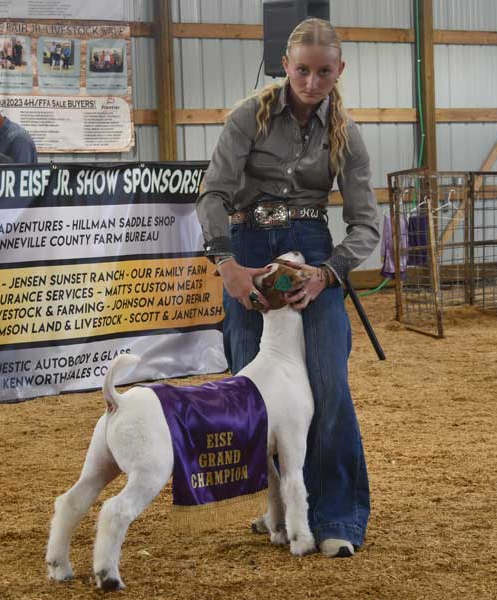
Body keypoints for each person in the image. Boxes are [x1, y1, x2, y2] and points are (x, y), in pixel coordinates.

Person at [195, 17, 379, 558]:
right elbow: (212, 196)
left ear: (339, 70)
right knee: (250, 388)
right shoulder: (248, 117)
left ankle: (337, 514)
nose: (312, 81)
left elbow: (367, 223)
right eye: (303, 69)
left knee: (327, 381)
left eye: (324, 71)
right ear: (286, 66)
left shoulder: (347, 133)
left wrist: (329, 272)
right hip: (247, 245)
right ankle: (276, 510)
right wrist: (226, 265)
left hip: (312, 252)